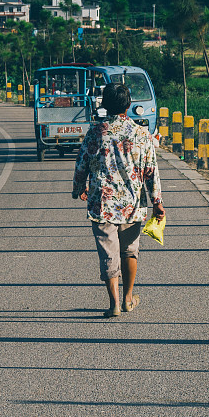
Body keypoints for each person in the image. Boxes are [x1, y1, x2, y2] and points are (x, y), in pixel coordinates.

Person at [72, 82, 165, 317]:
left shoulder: (95, 132)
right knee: (129, 251)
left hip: (102, 204)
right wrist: (157, 202)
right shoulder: (141, 134)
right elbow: (151, 171)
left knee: (108, 253)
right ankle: (128, 298)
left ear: (104, 105)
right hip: (132, 204)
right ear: (129, 104)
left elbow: (81, 164)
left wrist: (78, 188)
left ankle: (113, 303)